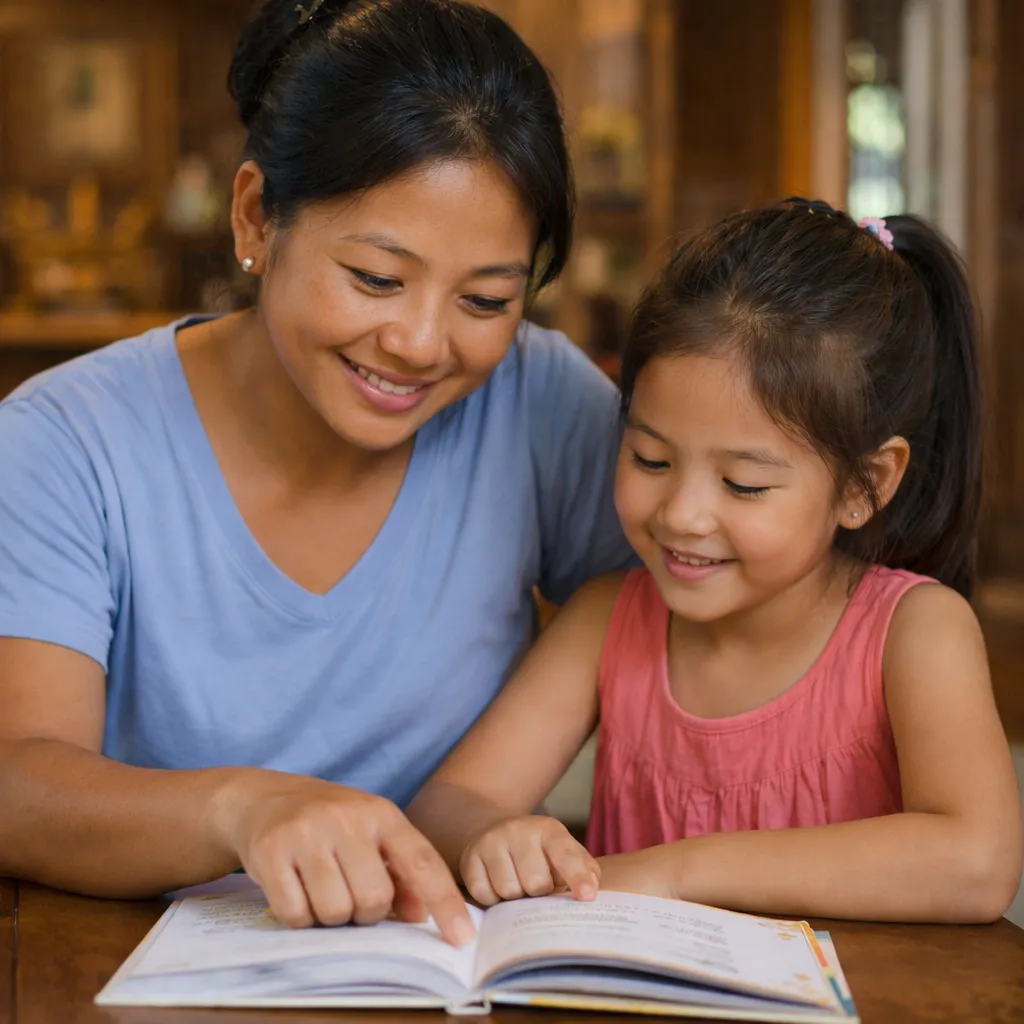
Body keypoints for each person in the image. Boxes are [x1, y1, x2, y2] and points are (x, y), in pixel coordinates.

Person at [0, 0, 635, 943]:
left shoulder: (545, 405)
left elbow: (691, 626)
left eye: (487, 298)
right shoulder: (67, 439)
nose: (420, 344)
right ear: (257, 215)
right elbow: (19, 777)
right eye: (377, 279)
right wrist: (242, 811)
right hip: (133, 969)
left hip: (447, 960)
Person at [410, 199, 1024, 923]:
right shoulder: (608, 620)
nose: (682, 514)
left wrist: (676, 874)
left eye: (743, 484)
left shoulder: (915, 633)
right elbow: (447, 803)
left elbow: (977, 864)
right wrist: (491, 835)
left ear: (865, 485)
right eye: (650, 457)